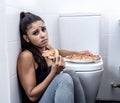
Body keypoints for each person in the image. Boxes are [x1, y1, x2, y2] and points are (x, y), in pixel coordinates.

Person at [17, 11, 88, 103]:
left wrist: (78, 53)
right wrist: (54, 73)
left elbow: (59, 52)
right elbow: (32, 96)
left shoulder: (45, 48)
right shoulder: (26, 56)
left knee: (71, 73)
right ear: (26, 38)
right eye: (35, 33)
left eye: (43, 29)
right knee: (63, 78)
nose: (43, 35)